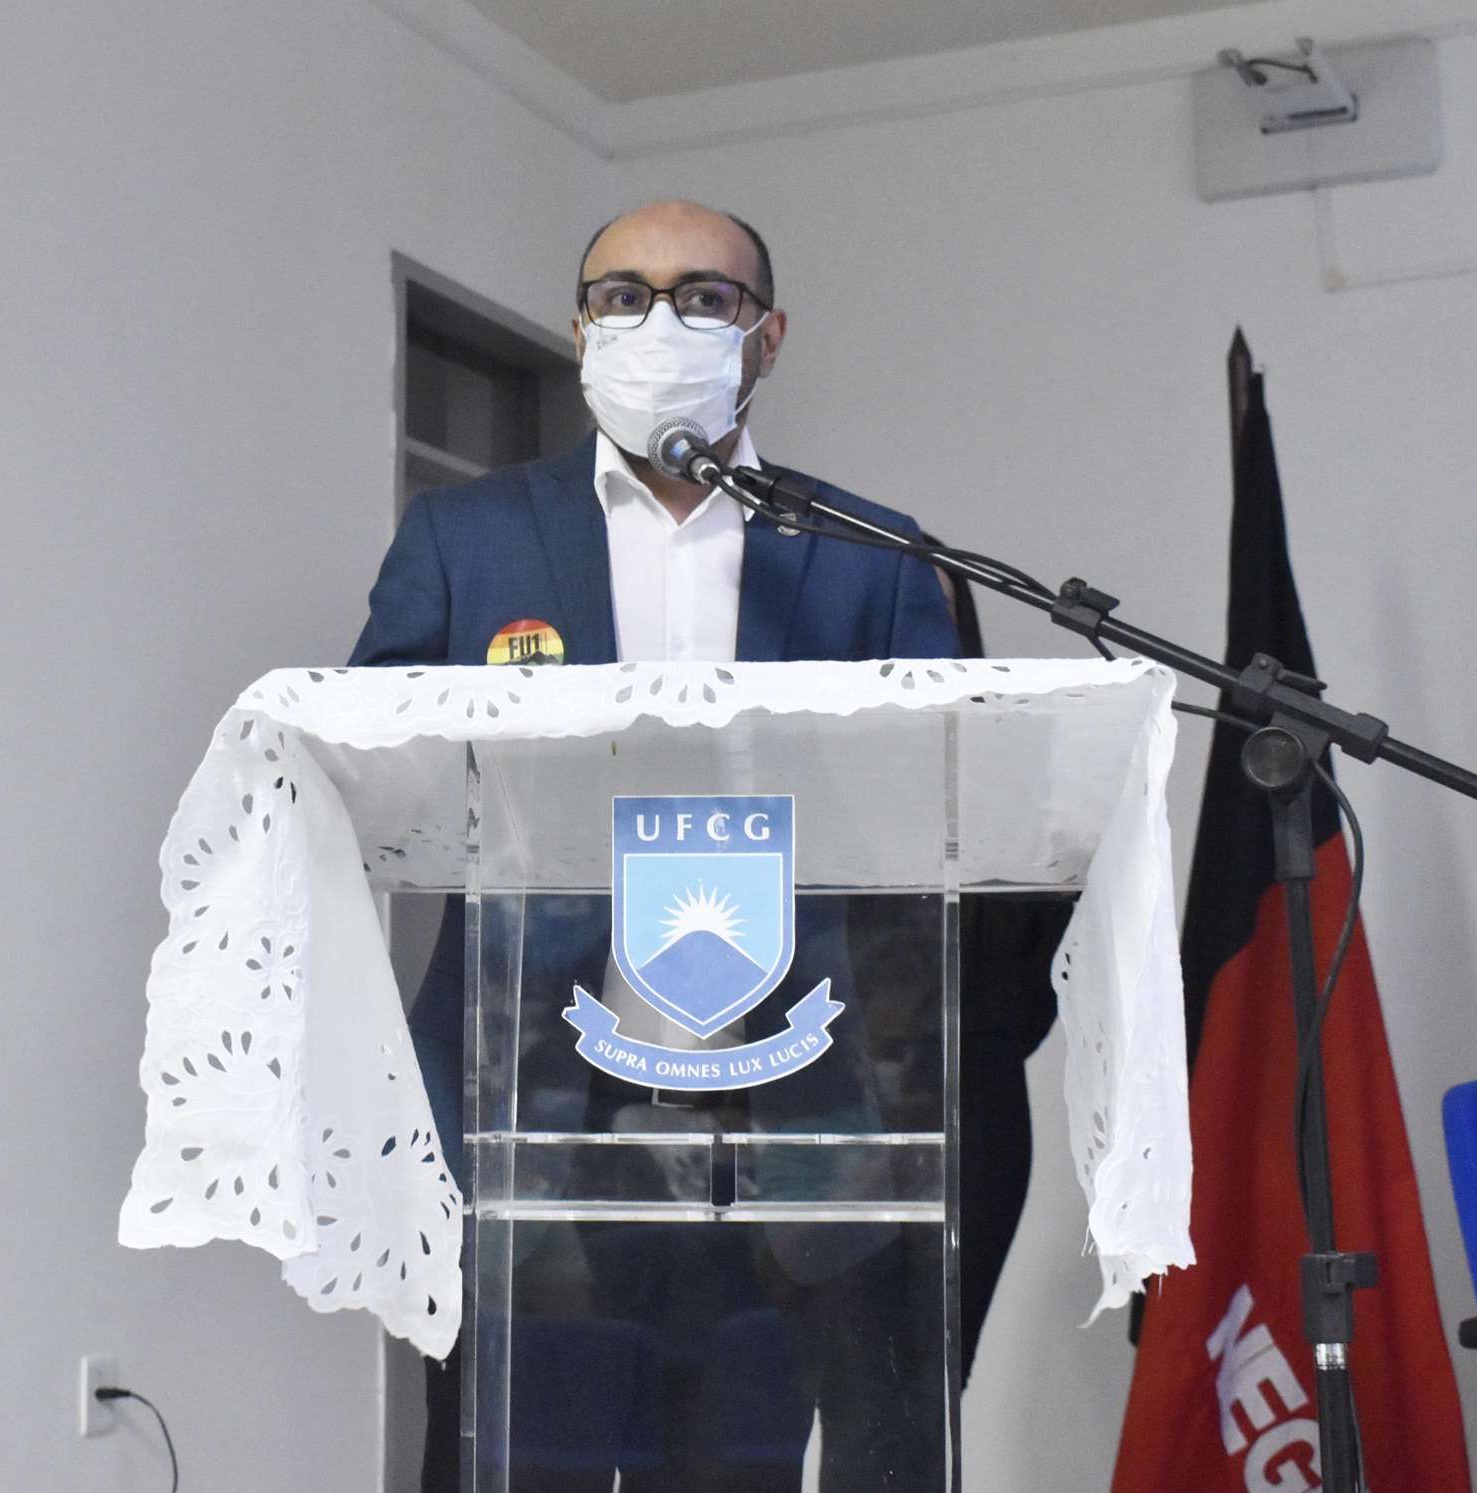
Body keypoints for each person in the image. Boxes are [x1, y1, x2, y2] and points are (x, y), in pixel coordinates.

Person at [351, 200, 962, 1491]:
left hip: (783, 1115)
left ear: (766, 337)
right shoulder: (468, 538)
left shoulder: (870, 556)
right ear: (581, 331)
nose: (656, 320)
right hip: (524, 1105)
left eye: (702, 296)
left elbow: (938, 822)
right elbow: (370, 775)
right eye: (621, 295)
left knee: (734, 1465)